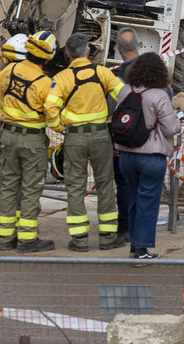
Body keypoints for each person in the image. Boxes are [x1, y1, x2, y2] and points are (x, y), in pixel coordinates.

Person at [46, 33, 127, 251]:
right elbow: (126, 96)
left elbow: (50, 108)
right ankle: (108, 237)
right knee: (105, 185)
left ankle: (80, 240)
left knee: (75, 187)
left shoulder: (62, 78)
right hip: (101, 136)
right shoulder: (103, 73)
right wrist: (115, 118)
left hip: (75, 137)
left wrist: (59, 126)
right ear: (88, 52)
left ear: (67, 54)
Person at [0, 31, 57, 253]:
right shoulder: (46, 84)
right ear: (47, 58)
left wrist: (3, 117)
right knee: (30, 189)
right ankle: (27, 240)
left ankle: (6, 238)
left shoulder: (6, 72)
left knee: (7, 186)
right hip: (32, 141)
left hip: (7, 137)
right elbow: (53, 119)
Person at [114, 53, 181, 260]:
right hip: (151, 156)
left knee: (133, 199)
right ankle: (142, 250)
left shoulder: (125, 91)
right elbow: (171, 129)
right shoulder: (159, 95)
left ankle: (134, 245)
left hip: (126, 155)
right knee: (148, 203)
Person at [110, 27, 141, 244]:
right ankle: (142, 229)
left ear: (119, 49)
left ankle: (125, 228)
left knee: (124, 184)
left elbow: (113, 112)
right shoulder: (155, 71)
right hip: (150, 140)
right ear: (139, 45)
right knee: (146, 185)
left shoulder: (117, 78)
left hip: (124, 139)